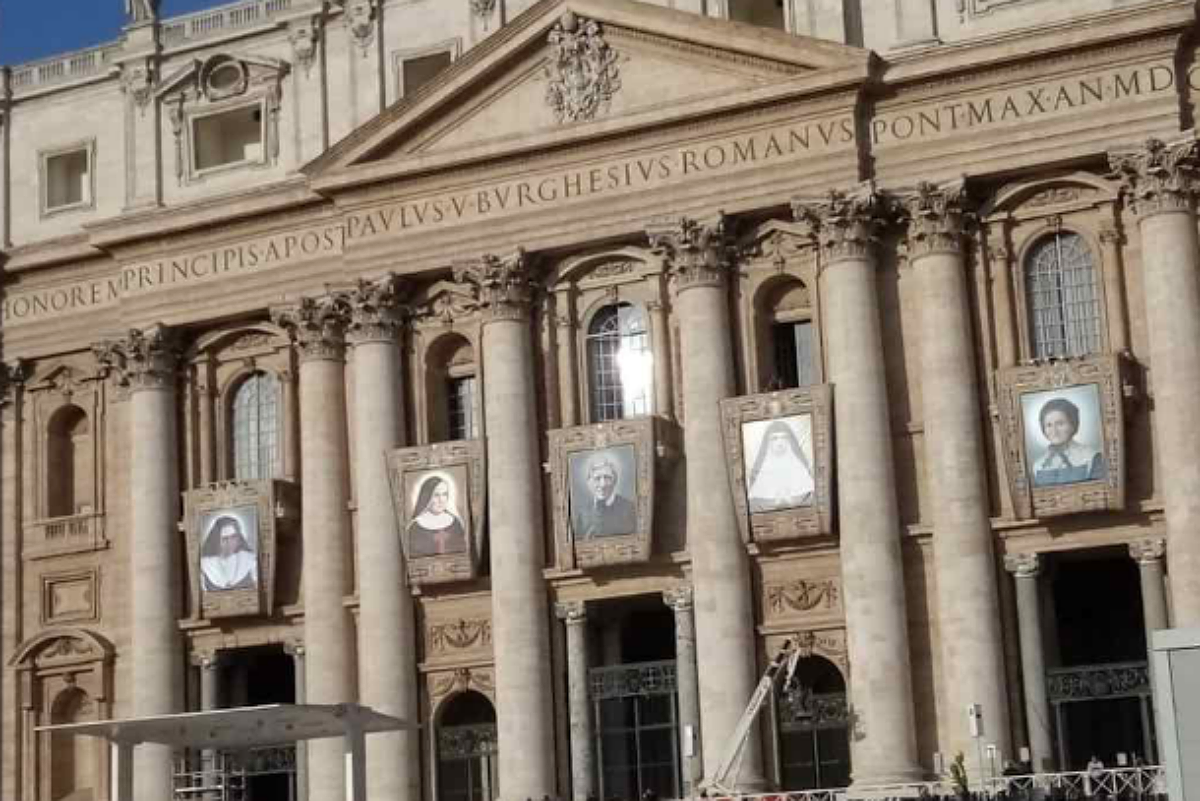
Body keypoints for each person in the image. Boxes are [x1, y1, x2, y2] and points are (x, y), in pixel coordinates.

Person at [1031, 397, 1106, 487]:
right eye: (1049, 425)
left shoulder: (1092, 457)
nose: (1054, 431)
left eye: (1060, 424)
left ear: (1073, 425)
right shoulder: (1038, 465)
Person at [746, 418, 815, 513]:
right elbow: (753, 506)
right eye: (774, 438)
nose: (780, 443)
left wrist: (791, 502)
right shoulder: (761, 471)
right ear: (768, 442)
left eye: (784, 437)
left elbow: (812, 500)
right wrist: (775, 503)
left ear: (789, 440)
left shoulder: (800, 468)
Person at [572, 453, 637, 538]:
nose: (603, 485)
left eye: (607, 478)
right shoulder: (583, 513)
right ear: (589, 482)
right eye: (597, 478)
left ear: (615, 480)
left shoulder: (629, 508)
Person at [407, 474, 467, 557]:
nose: (441, 500)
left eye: (444, 494)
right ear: (427, 497)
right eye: (436, 495)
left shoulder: (455, 522)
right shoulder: (415, 526)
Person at [200, 516, 258, 592]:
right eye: (225, 539)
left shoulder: (249, 559)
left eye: (233, 537)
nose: (230, 543)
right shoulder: (205, 563)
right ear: (216, 540)